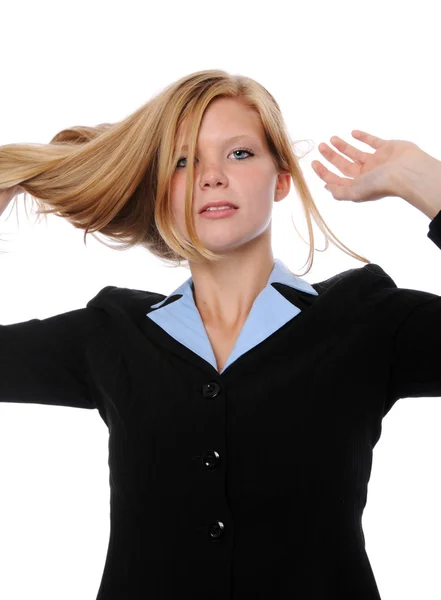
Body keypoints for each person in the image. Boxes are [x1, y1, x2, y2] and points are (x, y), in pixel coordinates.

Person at [1, 68, 441, 599]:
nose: (211, 176)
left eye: (238, 154)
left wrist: (425, 180)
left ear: (281, 178)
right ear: (161, 192)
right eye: (184, 162)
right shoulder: (113, 337)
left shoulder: (366, 320)